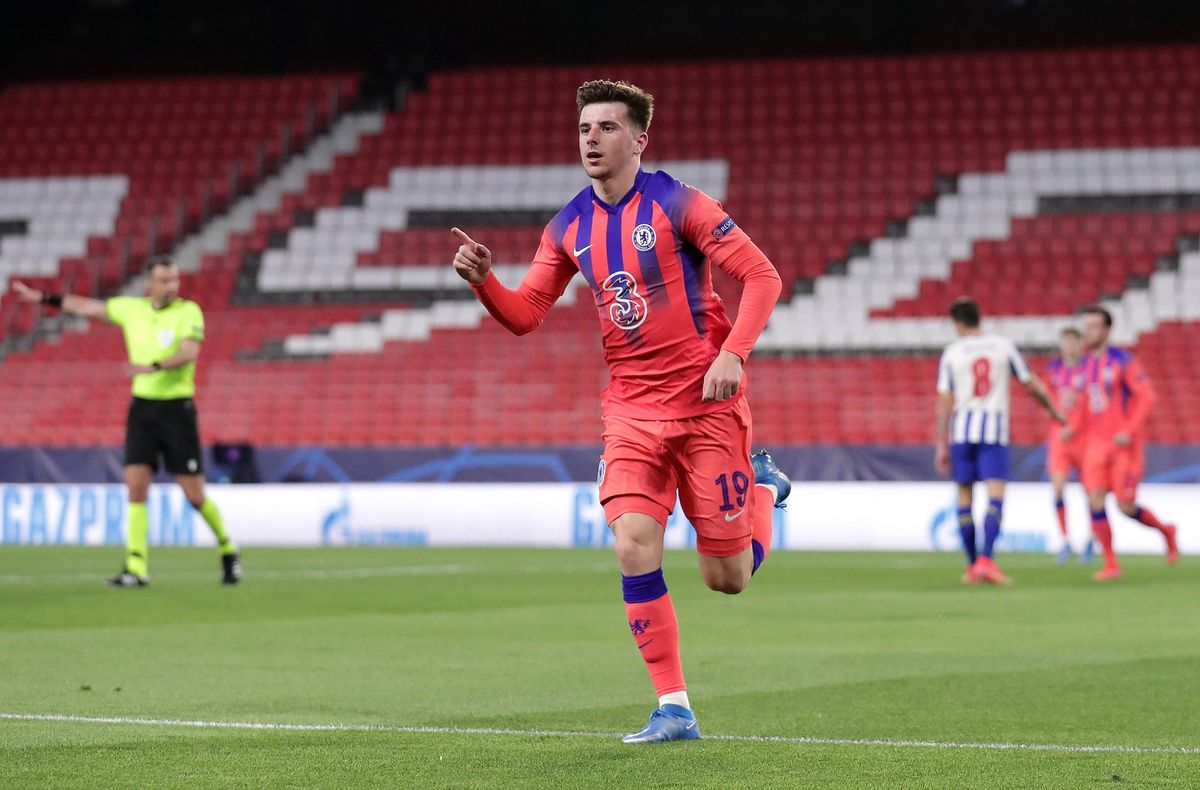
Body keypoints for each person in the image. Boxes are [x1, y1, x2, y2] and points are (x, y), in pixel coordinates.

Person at [449, 79, 788, 744]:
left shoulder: (678, 203)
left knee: (728, 579)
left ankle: (764, 492)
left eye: (606, 128)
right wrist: (487, 281)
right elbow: (526, 314)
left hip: (706, 405)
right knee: (632, 543)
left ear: (639, 138)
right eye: (584, 130)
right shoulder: (569, 224)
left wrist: (735, 356)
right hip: (630, 412)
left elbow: (763, 276)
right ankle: (674, 706)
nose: (592, 140)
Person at [11, 256, 241, 587]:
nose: (171, 286)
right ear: (149, 283)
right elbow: (88, 307)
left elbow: (190, 352)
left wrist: (155, 366)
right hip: (143, 410)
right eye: (164, 280)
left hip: (177, 410)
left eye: (174, 280)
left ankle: (228, 547)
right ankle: (136, 566)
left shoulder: (188, 311)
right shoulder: (131, 309)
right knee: (136, 487)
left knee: (194, 495)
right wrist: (45, 298)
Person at [934, 297, 1064, 585]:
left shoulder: (952, 353)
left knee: (964, 499)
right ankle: (986, 561)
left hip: (962, 434)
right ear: (979, 317)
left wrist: (941, 443)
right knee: (995, 497)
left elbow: (944, 400)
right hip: (994, 434)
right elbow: (1031, 384)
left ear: (957, 323)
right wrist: (1054, 411)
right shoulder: (1003, 346)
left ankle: (972, 566)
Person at [1066, 305, 1178, 582]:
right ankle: (1111, 564)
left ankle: (1166, 531)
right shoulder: (1086, 364)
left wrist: (1129, 430)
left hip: (1122, 447)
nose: (1087, 332)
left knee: (1126, 506)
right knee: (1094, 499)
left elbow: (1147, 396)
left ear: (1106, 330)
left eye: (1093, 326)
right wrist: (1072, 427)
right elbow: (1084, 402)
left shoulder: (1123, 361)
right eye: (1086, 326)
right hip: (1095, 445)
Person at [1045, 327, 1092, 563]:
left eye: (1074, 342)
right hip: (1059, 438)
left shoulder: (1090, 369)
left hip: (1084, 438)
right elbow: (1048, 400)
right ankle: (1065, 540)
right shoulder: (1053, 370)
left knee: (1091, 493)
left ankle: (1092, 540)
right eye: (1066, 342)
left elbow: (1091, 402)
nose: (1069, 346)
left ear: (1080, 344)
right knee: (1058, 489)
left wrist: (1075, 424)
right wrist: (1061, 424)